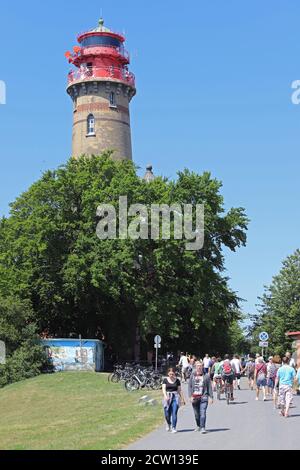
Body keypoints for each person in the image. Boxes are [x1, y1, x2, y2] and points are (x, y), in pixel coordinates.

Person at [188, 361, 213, 434]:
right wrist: (190, 396)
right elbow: (189, 386)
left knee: (203, 413)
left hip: (203, 397)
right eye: (197, 366)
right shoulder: (192, 375)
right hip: (194, 397)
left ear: (202, 367)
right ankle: (198, 425)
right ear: (195, 367)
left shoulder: (206, 376)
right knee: (196, 414)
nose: (199, 367)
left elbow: (209, 387)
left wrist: (211, 397)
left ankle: (203, 427)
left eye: (200, 366)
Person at [162, 367, 186, 433]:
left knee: (174, 413)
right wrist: (165, 396)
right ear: (168, 374)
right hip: (167, 397)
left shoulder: (177, 380)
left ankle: (174, 427)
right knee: (167, 413)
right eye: (170, 374)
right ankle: (168, 423)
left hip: (175, 397)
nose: (171, 375)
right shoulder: (165, 380)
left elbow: (179, 390)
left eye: (172, 374)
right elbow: (163, 389)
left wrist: (182, 399)